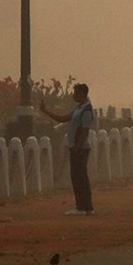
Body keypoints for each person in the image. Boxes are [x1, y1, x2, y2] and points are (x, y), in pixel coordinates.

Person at [38, 83, 96, 216]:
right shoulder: (79, 108)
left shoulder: (86, 110)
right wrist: (46, 111)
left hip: (80, 147)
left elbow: (85, 130)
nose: (73, 95)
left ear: (82, 94)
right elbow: (63, 119)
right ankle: (87, 207)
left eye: (75, 93)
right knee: (81, 176)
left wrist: (77, 146)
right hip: (76, 146)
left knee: (78, 177)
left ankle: (81, 207)